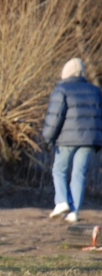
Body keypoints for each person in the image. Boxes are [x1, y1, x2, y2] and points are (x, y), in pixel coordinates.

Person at [43, 57, 102, 223]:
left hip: (66, 139)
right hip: (89, 140)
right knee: (79, 174)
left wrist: (48, 137)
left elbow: (55, 117)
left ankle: (61, 201)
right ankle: (74, 212)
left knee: (59, 170)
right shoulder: (95, 91)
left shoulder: (61, 90)